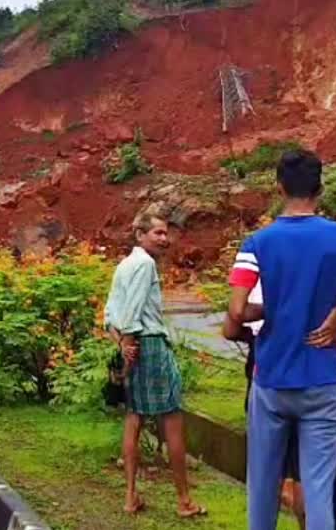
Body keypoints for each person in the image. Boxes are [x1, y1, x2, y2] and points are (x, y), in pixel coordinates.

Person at [226, 149, 336, 530]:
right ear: (320, 188)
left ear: (279, 187)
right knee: (319, 490)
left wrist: (273, 310)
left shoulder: (257, 244)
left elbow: (237, 312)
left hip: (271, 378)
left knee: (262, 487)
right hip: (321, 380)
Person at [224, 280, 336, 529]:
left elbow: (231, 328)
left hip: (266, 389)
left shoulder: (263, 279)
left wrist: (261, 335)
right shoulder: (328, 285)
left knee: (265, 480)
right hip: (316, 388)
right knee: (314, 483)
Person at [104, 213, 204, 518]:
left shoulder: (124, 265)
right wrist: (130, 342)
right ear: (140, 235)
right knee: (172, 420)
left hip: (129, 344)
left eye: (165, 233)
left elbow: (110, 313)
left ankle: (131, 496)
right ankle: (184, 500)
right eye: (157, 233)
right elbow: (132, 311)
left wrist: (120, 344)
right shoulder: (145, 265)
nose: (164, 239)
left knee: (134, 418)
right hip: (148, 345)